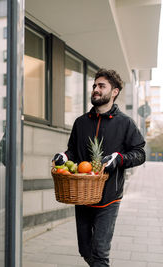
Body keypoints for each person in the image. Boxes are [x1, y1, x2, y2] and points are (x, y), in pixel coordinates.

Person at [52, 69, 146, 267]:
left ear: (115, 92)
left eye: (101, 86)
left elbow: (140, 153)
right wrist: (64, 157)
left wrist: (119, 158)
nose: (95, 89)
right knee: (85, 250)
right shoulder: (81, 122)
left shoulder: (125, 123)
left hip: (109, 197)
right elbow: (72, 152)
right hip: (82, 196)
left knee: (100, 253)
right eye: (95, 85)